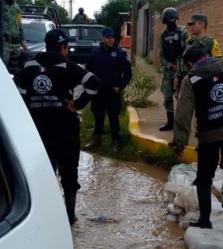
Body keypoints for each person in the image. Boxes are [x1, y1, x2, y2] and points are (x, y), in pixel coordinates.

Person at [16, 29, 100, 225]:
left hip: (39, 134)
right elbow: (94, 83)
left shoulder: (29, 66)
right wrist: (78, 104)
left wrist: (29, 108)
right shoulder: (69, 67)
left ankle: (44, 217)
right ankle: (69, 218)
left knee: (43, 176)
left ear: (46, 45)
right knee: (69, 176)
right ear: (63, 47)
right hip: (66, 132)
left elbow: (19, 91)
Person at [170, 46, 223, 229]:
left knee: (204, 177)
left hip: (209, 134)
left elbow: (183, 115)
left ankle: (205, 220)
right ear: (206, 55)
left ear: (190, 63)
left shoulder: (191, 78)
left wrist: (179, 143)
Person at [84, 27, 132, 152]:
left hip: (113, 92)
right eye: (108, 37)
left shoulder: (119, 54)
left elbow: (128, 73)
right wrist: (91, 87)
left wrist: (120, 86)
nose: (111, 40)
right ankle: (96, 139)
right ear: (103, 38)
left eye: (112, 37)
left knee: (113, 117)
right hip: (99, 92)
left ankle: (116, 140)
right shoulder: (95, 54)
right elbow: (87, 71)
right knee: (98, 116)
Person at [158, 7, 188, 131]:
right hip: (168, 71)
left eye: (173, 18)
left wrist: (180, 67)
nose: (171, 21)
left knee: (182, 98)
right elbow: (161, 54)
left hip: (181, 71)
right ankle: (170, 122)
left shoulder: (183, 32)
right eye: (168, 19)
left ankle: (183, 124)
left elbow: (188, 51)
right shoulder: (163, 35)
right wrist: (170, 65)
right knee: (167, 97)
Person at [1, 0, 27, 73]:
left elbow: (19, 24)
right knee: (3, 70)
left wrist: (23, 40)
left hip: (16, 44)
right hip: (4, 44)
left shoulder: (16, 7)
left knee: (15, 71)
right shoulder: (1, 6)